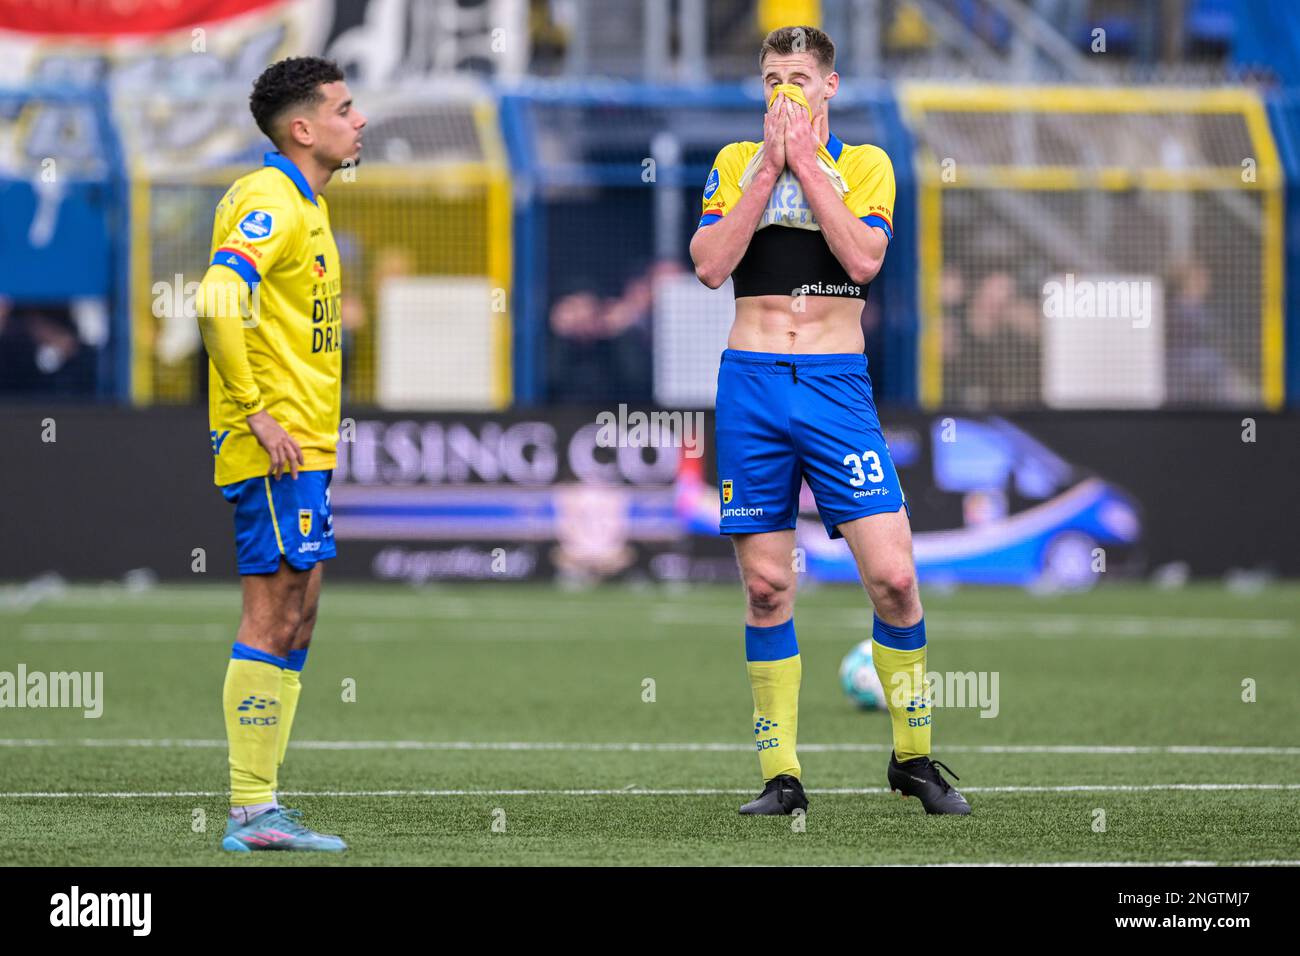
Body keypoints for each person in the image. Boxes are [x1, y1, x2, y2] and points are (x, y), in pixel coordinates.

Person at [689, 25, 970, 816]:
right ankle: (782, 777)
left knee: (895, 576)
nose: (784, 91)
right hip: (752, 384)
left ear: (829, 87)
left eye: (799, 78)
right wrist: (766, 170)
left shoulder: (867, 165)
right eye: (773, 77)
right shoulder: (733, 163)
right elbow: (711, 265)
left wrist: (805, 162)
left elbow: (862, 260)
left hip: (835, 386)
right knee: (770, 588)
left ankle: (912, 759)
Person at [195, 56, 366, 851]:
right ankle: (251, 811)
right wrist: (257, 413)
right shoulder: (272, 199)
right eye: (344, 107)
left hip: (304, 446)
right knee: (273, 613)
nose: (357, 120)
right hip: (276, 444)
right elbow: (217, 298)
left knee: (299, 616)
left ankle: (261, 807)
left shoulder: (305, 201)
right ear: (304, 129)